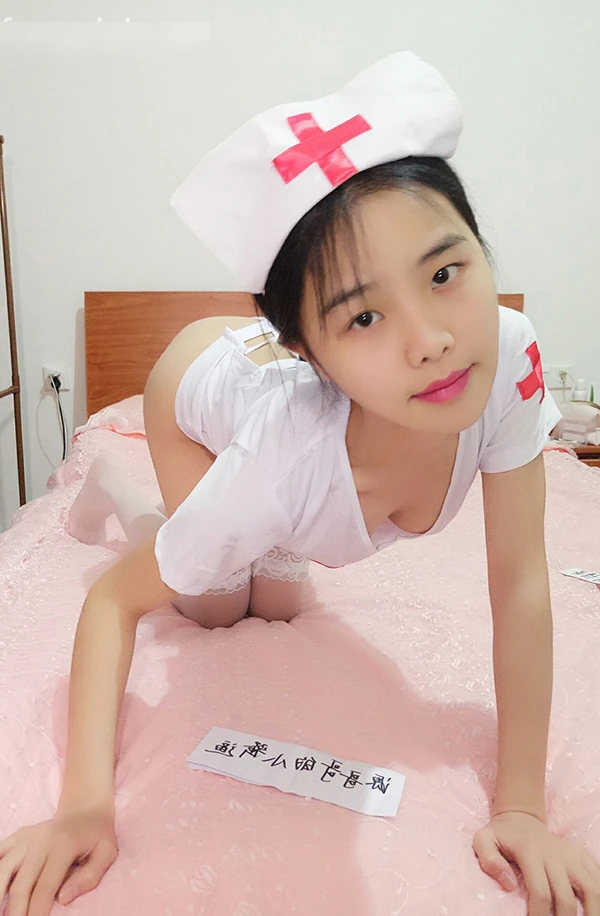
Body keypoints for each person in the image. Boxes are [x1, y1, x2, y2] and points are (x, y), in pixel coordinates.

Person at [1, 51, 598, 916]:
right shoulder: (279, 465)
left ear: (479, 247)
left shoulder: (505, 356)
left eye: (444, 272)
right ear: (310, 354)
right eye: (365, 315)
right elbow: (111, 604)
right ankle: (120, 491)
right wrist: (84, 808)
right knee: (210, 607)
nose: (432, 340)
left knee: (280, 603)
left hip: (269, 404)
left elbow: (521, 580)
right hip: (196, 392)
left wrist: (522, 808)